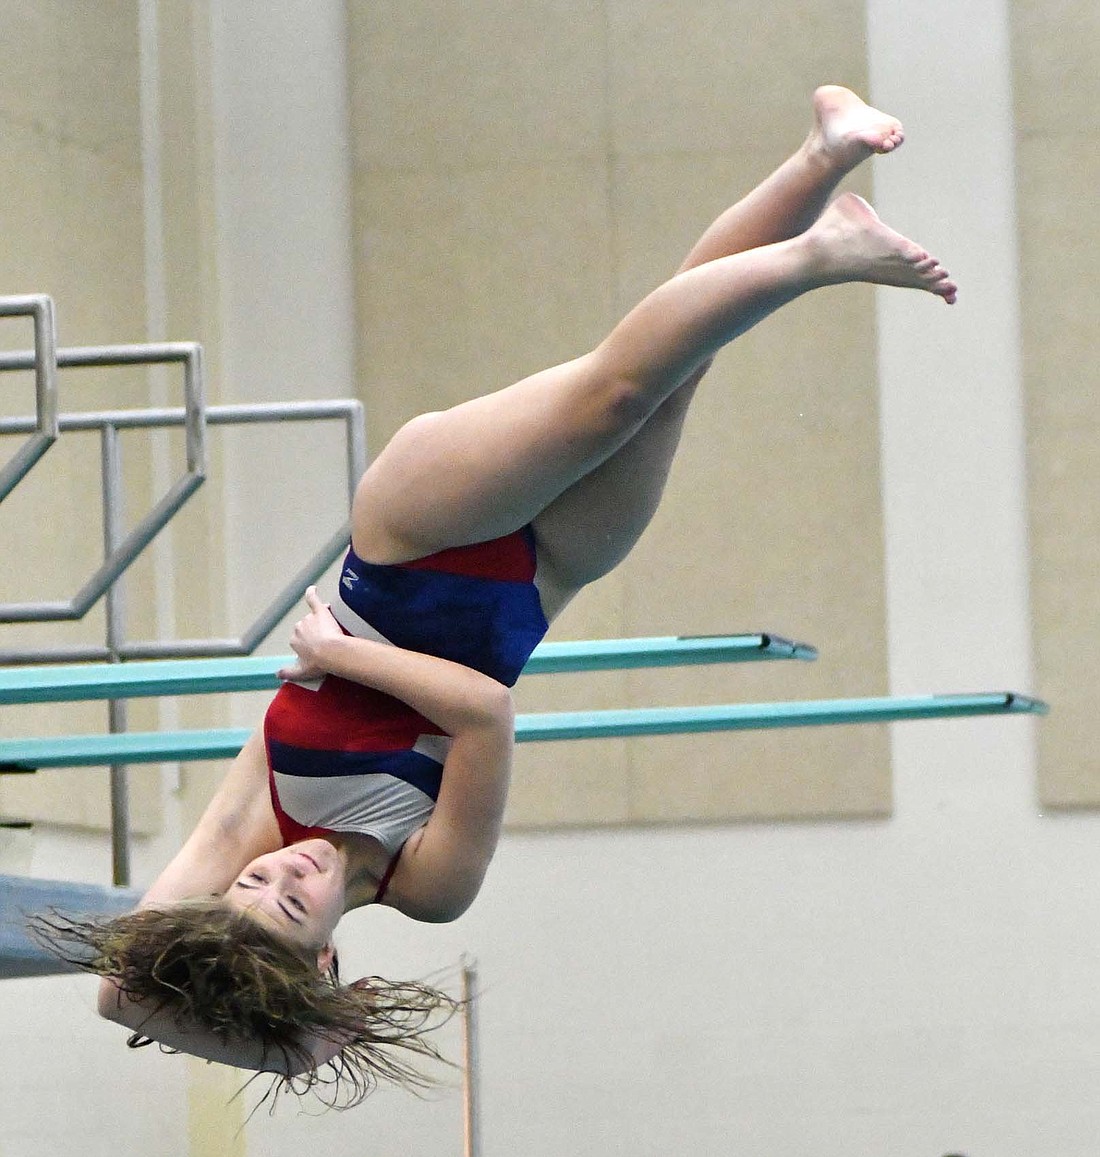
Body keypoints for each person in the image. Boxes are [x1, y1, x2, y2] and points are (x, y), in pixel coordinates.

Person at [31, 85, 955, 1107]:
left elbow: (118, 994)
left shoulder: (240, 828)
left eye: (253, 885)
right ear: (326, 957)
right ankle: (816, 162)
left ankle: (818, 254)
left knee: (617, 387)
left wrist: (288, 1035)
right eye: (290, 904)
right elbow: (483, 711)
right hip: (536, 581)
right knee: (676, 364)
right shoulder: (431, 888)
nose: (276, 874)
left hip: (413, 534)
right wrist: (338, 661)